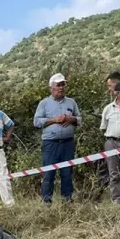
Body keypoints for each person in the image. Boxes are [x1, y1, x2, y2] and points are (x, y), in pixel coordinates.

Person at [33, 74, 81, 204]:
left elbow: (80, 119)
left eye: (63, 85)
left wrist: (72, 119)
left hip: (68, 143)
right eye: (58, 85)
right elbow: (36, 122)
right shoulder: (44, 103)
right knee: (49, 173)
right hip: (50, 144)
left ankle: (67, 200)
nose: (61, 88)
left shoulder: (71, 102)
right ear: (51, 88)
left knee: (67, 173)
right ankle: (46, 201)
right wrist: (54, 120)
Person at [100, 71, 120, 195]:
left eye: (110, 86)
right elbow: (103, 127)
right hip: (111, 141)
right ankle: (117, 199)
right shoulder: (108, 108)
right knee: (113, 173)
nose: (109, 89)